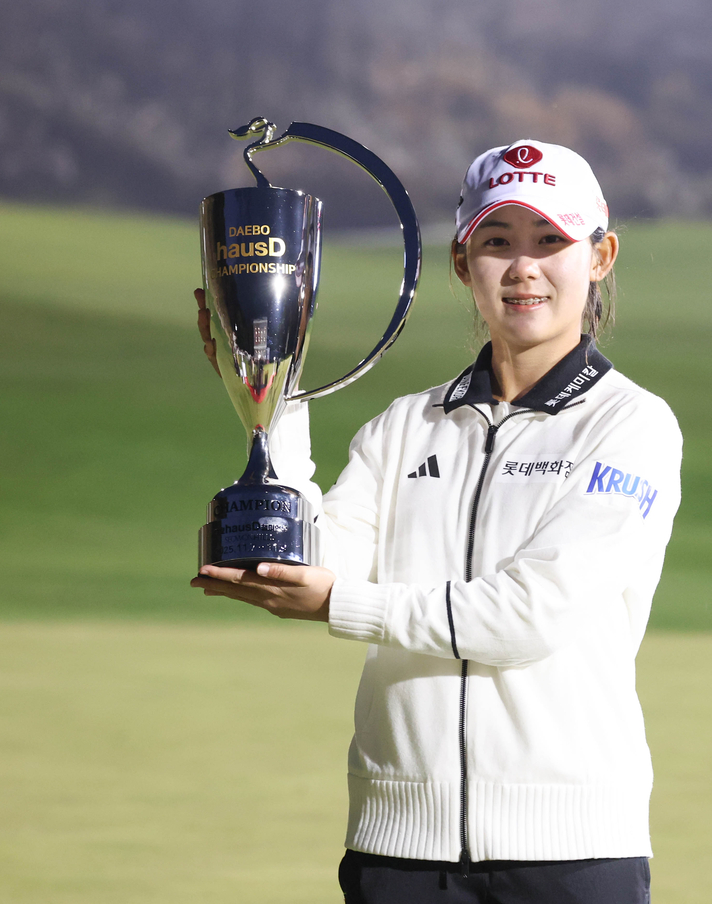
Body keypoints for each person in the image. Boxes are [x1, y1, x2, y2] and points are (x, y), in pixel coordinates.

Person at [193, 140, 682, 903]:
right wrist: (267, 385)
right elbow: (319, 556)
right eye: (496, 242)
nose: (523, 268)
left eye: (550, 240)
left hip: (574, 860)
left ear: (599, 255)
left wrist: (334, 602)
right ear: (462, 263)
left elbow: (528, 615)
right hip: (397, 855)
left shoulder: (631, 426)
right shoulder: (406, 426)